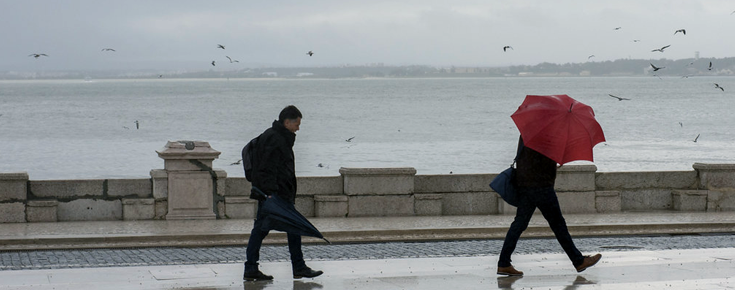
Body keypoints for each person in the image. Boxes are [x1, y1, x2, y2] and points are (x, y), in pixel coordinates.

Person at [497, 136, 602, 276]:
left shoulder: (530, 131)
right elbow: (542, 157)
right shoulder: (544, 135)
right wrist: (554, 160)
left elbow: (533, 158)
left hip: (526, 184)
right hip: (540, 186)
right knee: (558, 225)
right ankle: (578, 261)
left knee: (519, 224)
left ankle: (503, 263)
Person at [244, 105, 323, 281]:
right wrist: (270, 194)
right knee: (260, 231)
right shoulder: (274, 138)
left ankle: (298, 267)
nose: (298, 128)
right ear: (287, 122)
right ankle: (251, 268)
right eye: (297, 124)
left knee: (291, 228)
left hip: (279, 194)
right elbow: (266, 168)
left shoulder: (279, 137)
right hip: (273, 195)